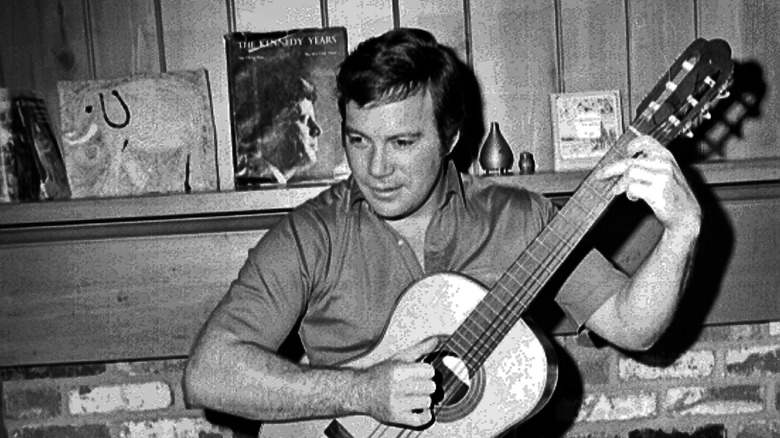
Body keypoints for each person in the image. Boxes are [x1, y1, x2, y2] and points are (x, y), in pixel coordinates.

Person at [185, 28, 701, 429]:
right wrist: (361, 391)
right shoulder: (311, 235)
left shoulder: (520, 220)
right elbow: (209, 374)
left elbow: (635, 326)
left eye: (403, 143)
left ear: (450, 135)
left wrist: (682, 230)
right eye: (359, 141)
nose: (376, 169)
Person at [234, 71, 322, 185]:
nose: (317, 130)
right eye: (303, 118)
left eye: (313, 119)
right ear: (273, 129)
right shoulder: (249, 178)